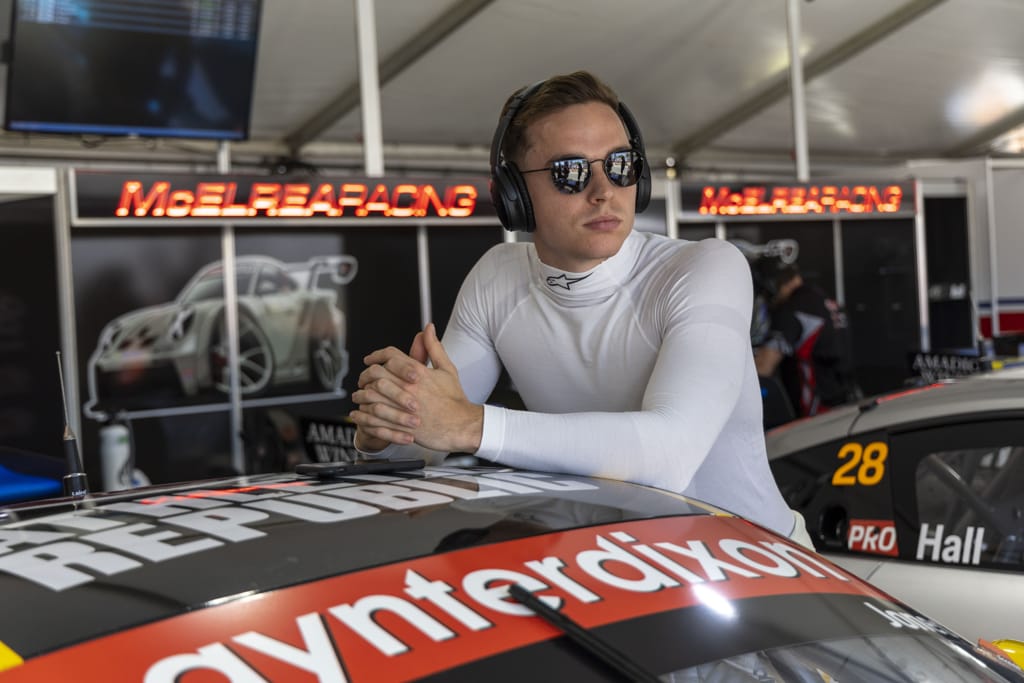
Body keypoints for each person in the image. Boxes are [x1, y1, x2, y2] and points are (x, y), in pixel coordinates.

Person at [349, 70, 811, 546]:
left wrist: (470, 424)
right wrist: (385, 428)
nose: (603, 190)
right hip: (619, 572)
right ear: (513, 196)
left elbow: (669, 456)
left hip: (764, 567)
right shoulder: (497, 276)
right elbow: (426, 437)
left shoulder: (705, 266)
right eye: (568, 172)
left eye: (620, 164)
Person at [752, 256, 859, 418]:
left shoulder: (792, 309)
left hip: (817, 411)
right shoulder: (825, 301)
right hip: (847, 401)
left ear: (774, 285)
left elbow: (763, 367)